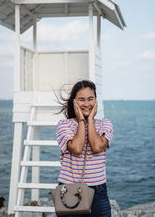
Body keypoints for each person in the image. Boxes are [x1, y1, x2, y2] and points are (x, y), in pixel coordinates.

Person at [56, 80, 113, 217]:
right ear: (74, 102)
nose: (87, 104)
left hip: (98, 192)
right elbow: (76, 148)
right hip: (69, 189)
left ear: (96, 101)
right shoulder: (64, 125)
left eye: (90, 99)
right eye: (81, 99)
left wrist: (91, 120)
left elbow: (97, 147)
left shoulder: (105, 124)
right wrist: (82, 120)